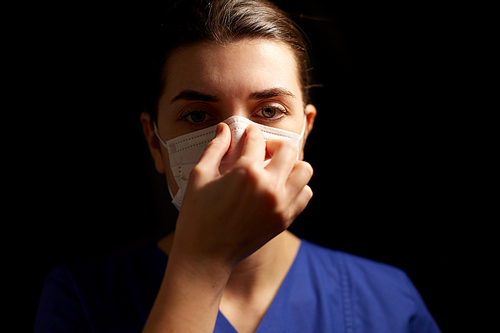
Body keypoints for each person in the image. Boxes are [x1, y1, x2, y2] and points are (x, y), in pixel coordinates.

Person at [35, 0, 441, 332]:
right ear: (154, 142)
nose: (238, 145)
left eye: (269, 110)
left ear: (305, 131)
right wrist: (200, 266)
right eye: (197, 116)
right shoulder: (81, 300)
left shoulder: (388, 300)